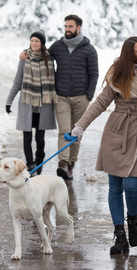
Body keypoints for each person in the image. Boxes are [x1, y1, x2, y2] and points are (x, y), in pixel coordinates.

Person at [70, 37, 137, 254]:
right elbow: (101, 102)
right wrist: (80, 126)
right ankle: (120, 235)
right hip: (117, 130)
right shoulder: (119, 72)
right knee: (114, 187)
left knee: (131, 185)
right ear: (131, 55)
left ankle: (132, 223)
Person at [20, 14, 99, 180]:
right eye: (65, 26)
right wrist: (25, 52)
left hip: (81, 98)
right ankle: (62, 164)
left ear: (78, 28)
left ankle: (71, 164)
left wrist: (88, 96)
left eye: (70, 27)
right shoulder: (58, 46)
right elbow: (40, 53)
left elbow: (94, 74)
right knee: (64, 130)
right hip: (61, 96)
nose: (67, 30)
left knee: (76, 133)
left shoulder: (89, 50)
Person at [7, 30, 57, 175]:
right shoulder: (24, 59)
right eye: (32, 40)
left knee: (40, 139)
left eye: (37, 41)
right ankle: (30, 165)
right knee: (27, 138)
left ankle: (39, 163)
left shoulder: (49, 59)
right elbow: (18, 81)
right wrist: (9, 100)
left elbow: (54, 80)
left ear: (42, 43)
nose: (33, 43)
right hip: (27, 104)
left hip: (43, 106)